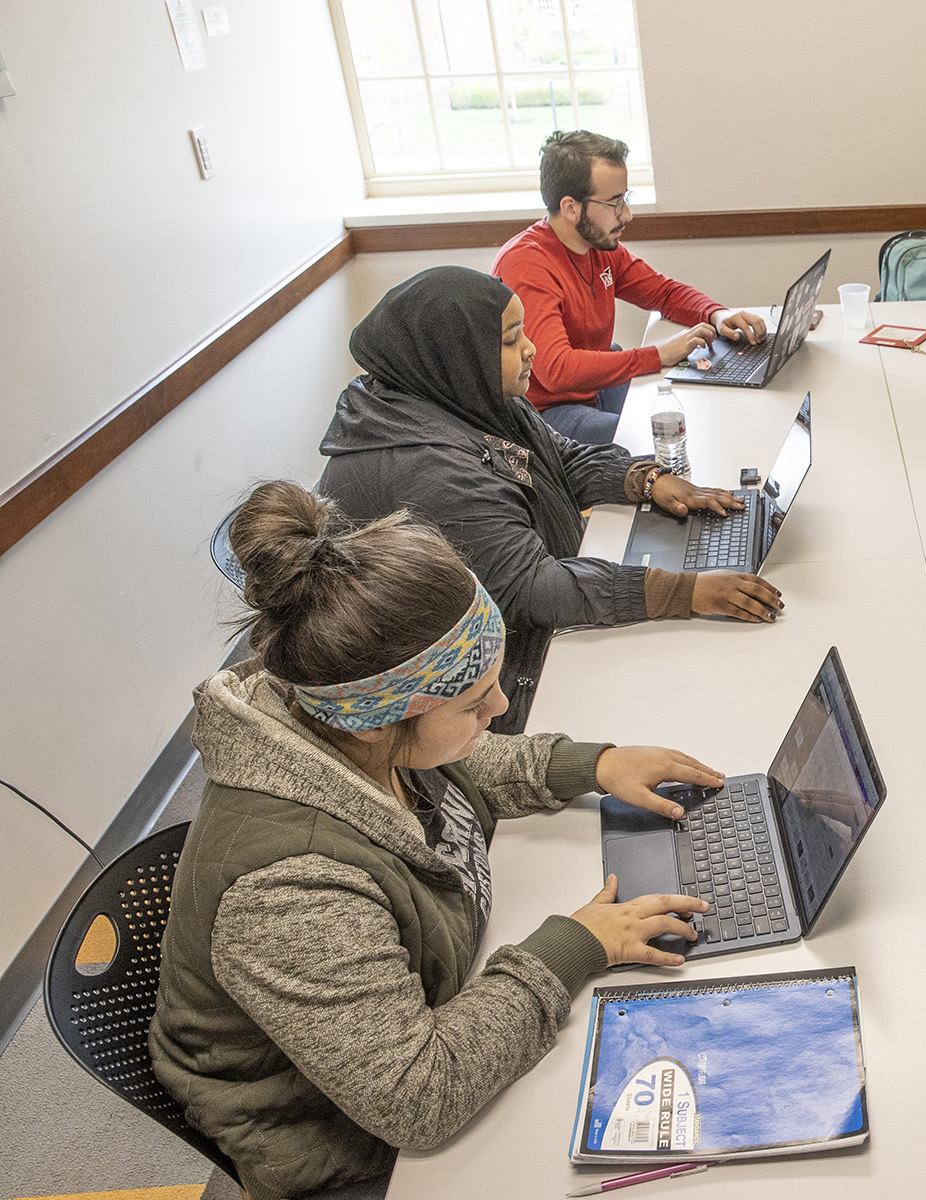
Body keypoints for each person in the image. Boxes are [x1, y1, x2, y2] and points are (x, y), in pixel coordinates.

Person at [150, 481, 717, 1200]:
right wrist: (578, 945)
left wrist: (589, 765)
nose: (502, 707)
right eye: (476, 700)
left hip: (440, 998)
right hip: (352, 1147)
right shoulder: (287, 894)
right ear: (376, 722)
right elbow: (419, 1097)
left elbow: (456, 756)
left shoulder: (341, 720)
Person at [318, 265, 783, 736]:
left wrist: (643, 479)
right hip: (462, 699)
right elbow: (533, 590)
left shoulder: (461, 395)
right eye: (510, 339)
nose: (530, 348)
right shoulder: (425, 468)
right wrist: (688, 591)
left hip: (512, 627)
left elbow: (556, 457)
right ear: (457, 355)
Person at [493, 130, 767, 444]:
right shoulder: (527, 265)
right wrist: (659, 354)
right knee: (656, 438)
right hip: (547, 413)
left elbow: (663, 292)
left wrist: (716, 314)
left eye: (625, 198)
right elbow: (557, 369)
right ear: (570, 207)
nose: (627, 214)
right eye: (614, 203)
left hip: (590, 394)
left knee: (688, 406)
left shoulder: (596, 245)